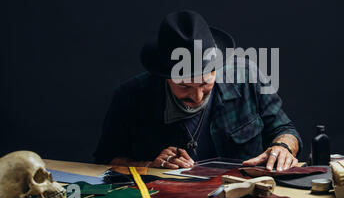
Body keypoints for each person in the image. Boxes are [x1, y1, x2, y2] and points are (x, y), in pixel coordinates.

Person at [93, 10, 302, 171]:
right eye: (184, 86)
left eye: (205, 84)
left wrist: (282, 148)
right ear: (164, 76)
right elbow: (104, 161)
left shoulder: (248, 76)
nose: (197, 96)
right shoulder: (131, 96)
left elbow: (285, 130)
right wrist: (149, 166)